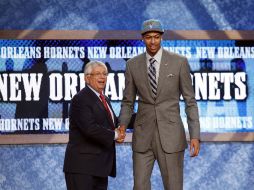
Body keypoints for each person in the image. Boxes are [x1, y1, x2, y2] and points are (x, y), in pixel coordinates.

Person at [118, 19, 200, 190]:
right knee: (139, 186)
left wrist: (195, 135)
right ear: (143, 38)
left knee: (173, 186)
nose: (153, 41)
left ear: (162, 37)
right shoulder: (132, 65)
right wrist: (123, 125)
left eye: (156, 37)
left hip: (171, 135)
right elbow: (128, 101)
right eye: (149, 37)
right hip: (143, 135)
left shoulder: (179, 62)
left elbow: (190, 101)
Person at [63, 60, 125, 190]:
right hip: (82, 168)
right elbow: (89, 129)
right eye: (98, 74)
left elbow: (115, 122)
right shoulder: (80, 99)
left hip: (100, 168)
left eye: (105, 73)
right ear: (87, 78)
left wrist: (142, 117)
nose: (102, 77)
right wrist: (115, 135)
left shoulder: (103, 99)